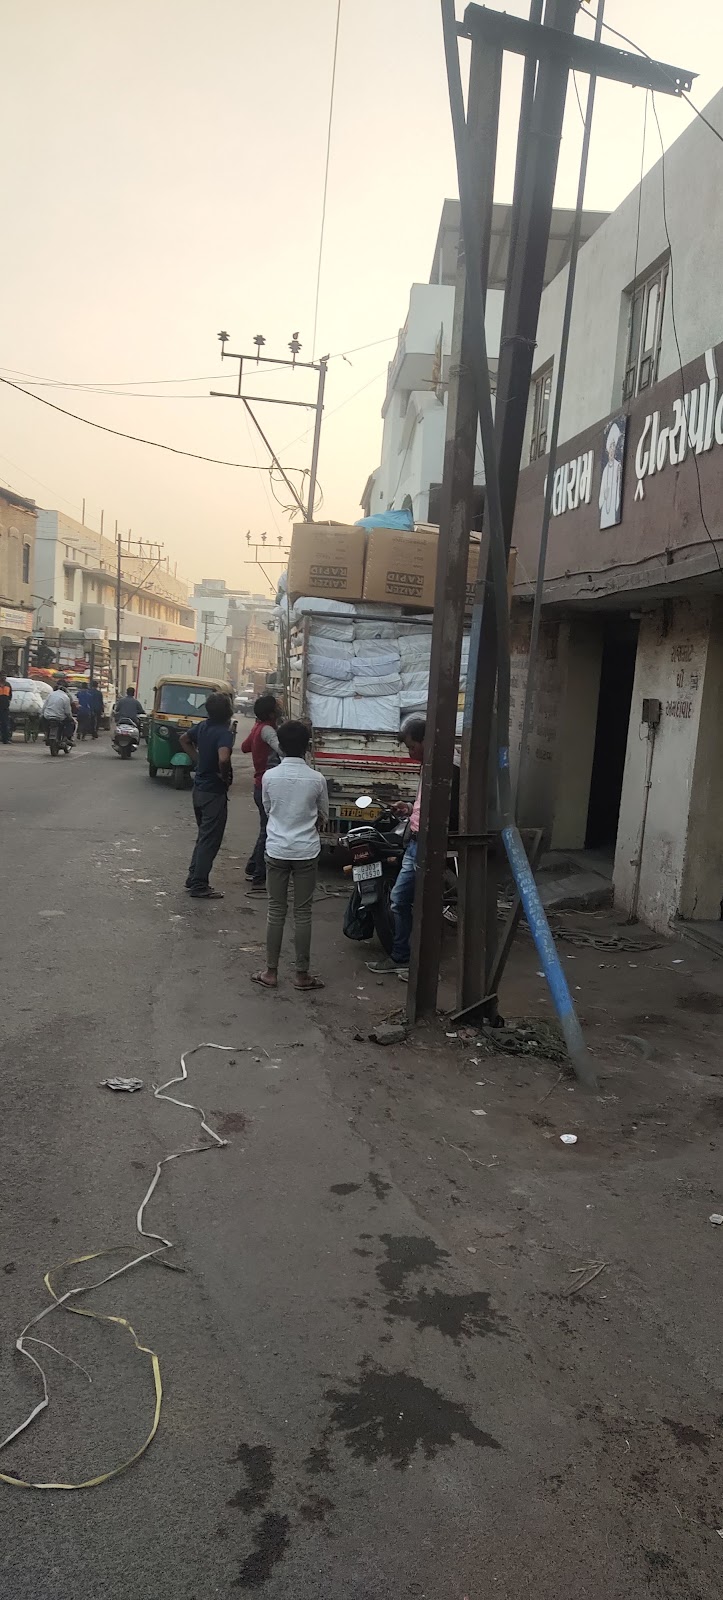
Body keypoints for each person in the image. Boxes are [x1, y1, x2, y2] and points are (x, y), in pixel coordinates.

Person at [252, 720, 328, 991]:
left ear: (280, 746)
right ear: (308, 747)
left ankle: (271, 972)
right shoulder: (317, 779)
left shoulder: (270, 777)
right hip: (306, 851)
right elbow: (324, 816)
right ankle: (301, 975)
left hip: (277, 850)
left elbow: (268, 808)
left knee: (276, 910)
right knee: (303, 912)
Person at [367, 716, 426, 978]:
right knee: (403, 901)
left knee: (400, 900)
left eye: (412, 746)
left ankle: (403, 956)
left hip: (423, 844)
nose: (409, 753)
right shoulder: (429, 765)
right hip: (415, 839)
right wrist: (410, 808)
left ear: (426, 741)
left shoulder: (446, 767)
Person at [180, 692, 235, 899]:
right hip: (213, 791)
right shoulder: (224, 733)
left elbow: (184, 739)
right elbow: (223, 757)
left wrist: (199, 761)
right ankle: (199, 884)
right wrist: (224, 774)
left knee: (204, 836)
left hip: (199, 789)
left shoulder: (202, 727)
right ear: (228, 711)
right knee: (210, 839)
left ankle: (194, 875)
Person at [240, 694, 281, 892]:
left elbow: (245, 747)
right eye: (277, 707)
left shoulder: (258, 728)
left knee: (265, 828)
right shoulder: (267, 730)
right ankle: (259, 875)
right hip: (268, 785)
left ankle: (253, 866)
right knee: (268, 830)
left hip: (260, 783)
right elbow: (284, 750)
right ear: (271, 712)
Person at [42, 678, 75, 743]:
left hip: (48, 716)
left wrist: (43, 714)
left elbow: (44, 707)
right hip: (59, 717)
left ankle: (46, 734)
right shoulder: (66, 697)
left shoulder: (51, 695)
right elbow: (67, 712)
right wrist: (70, 717)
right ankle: (66, 737)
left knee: (43, 720)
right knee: (71, 723)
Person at [0, 670, 12, 745]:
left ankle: (5, 739)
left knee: (5, 724)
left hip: (4, 708)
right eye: (2, 676)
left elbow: (10, 695)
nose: (4, 677)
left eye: (5, 676)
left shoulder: (8, 685)